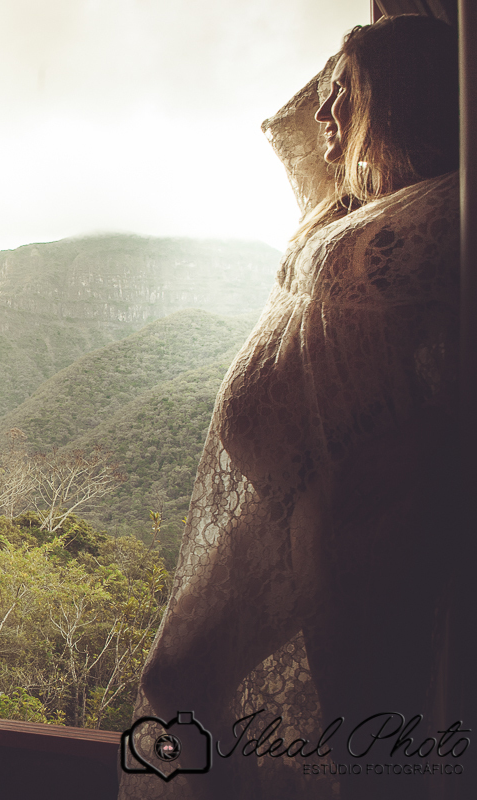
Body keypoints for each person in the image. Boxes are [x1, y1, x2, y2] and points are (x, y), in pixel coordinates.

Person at [119, 15, 461, 800]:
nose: (323, 112)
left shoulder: (440, 207)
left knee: (368, 744)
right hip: (286, 494)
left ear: (397, 99)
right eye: (327, 92)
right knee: (175, 680)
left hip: (355, 500)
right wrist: (350, 65)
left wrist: (410, 453)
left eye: (346, 95)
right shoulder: (340, 204)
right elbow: (291, 128)